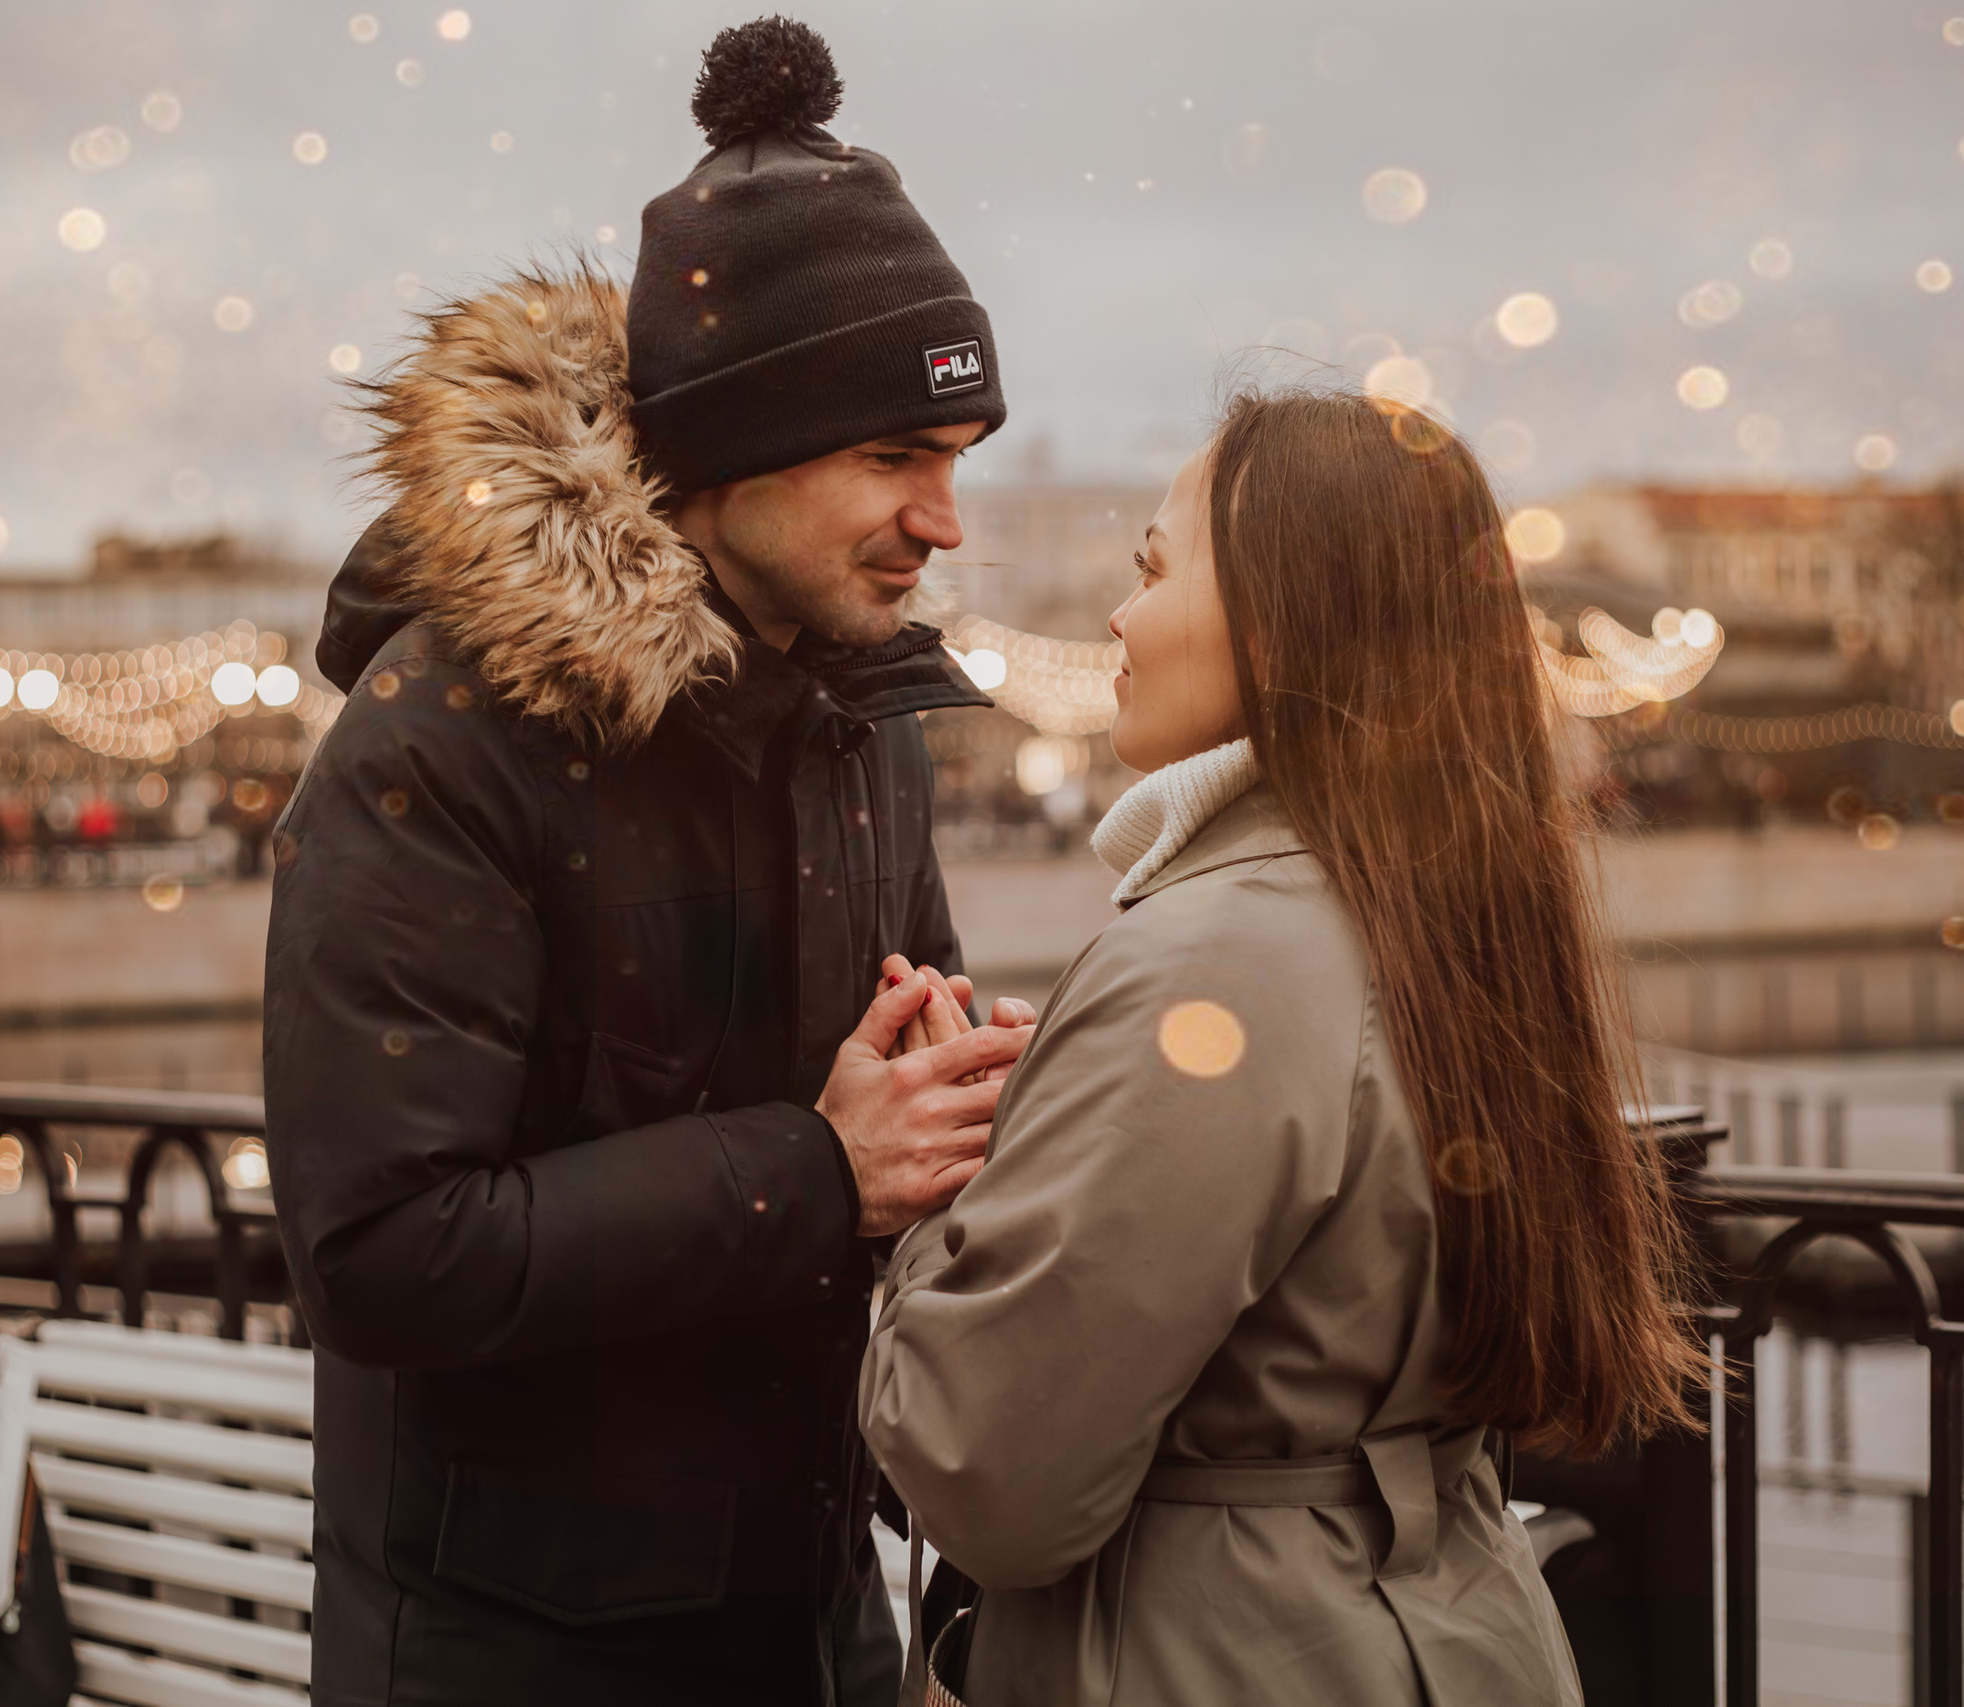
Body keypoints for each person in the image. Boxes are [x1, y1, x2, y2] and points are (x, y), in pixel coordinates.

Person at [263, 19, 1032, 1707]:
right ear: (737, 454)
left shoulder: (862, 719)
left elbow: (888, 1120)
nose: (944, 522)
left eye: (956, 461)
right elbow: (380, 1254)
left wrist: (970, 1097)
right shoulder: (444, 733)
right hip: (512, 1657)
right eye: (896, 457)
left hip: (810, 1619)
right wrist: (815, 1171)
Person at [859, 386, 1704, 1704]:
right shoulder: (1432, 901)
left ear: (1278, 616)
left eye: (1152, 572)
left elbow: (992, 1479)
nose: (1118, 618)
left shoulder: (1213, 958)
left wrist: (933, 1197)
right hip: (1440, 1639)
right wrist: (1071, 1124)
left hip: (1221, 1658)